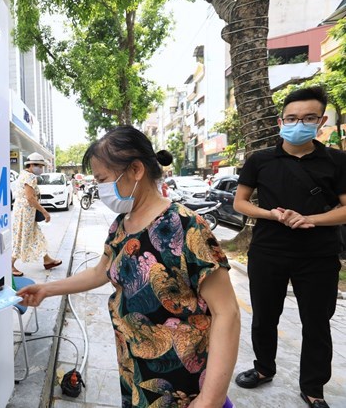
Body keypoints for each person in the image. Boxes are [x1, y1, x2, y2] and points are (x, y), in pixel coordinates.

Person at [18, 126, 240, 408]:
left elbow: (227, 312)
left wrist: (211, 398)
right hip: (134, 368)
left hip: (182, 380)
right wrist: (47, 289)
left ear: (136, 170)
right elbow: (101, 271)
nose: (99, 189)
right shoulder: (122, 224)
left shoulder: (187, 226)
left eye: (102, 179)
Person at [233, 86, 346, 408]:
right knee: (264, 317)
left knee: (317, 323)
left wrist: (309, 218)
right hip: (268, 251)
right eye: (292, 118)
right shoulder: (261, 160)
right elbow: (240, 203)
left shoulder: (337, 161)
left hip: (319, 255)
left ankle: (313, 387)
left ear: (321, 120)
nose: (299, 124)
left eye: (309, 118)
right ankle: (263, 368)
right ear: (281, 121)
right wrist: (271, 213)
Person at [11, 152, 63, 277]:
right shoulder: (30, 177)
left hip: (22, 211)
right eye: (40, 166)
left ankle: (47, 260)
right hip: (26, 213)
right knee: (23, 238)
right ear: (32, 165)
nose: (41, 169)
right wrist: (44, 211)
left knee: (37, 236)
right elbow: (30, 198)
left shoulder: (23, 174)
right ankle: (10, 265)